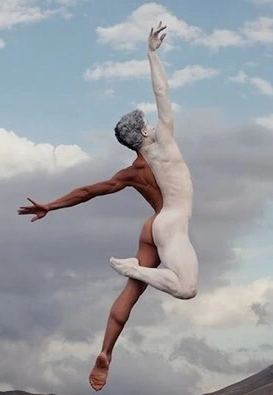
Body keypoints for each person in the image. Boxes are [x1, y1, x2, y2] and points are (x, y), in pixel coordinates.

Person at [18, 153, 163, 391]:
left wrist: (50, 206)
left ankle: (106, 351)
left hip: (153, 225)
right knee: (186, 282)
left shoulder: (132, 173)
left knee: (132, 291)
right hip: (173, 223)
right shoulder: (168, 157)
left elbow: (88, 192)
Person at [107, 22, 199, 302]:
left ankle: (135, 269)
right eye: (148, 123)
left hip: (170, 221)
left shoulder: (147, 155)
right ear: (145, 133)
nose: (152, 124)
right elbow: (162, 92)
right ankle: (134, 269)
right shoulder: (165, 143)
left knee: (187, 286)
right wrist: (152, 53)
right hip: (171, 222)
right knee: (186, 288)